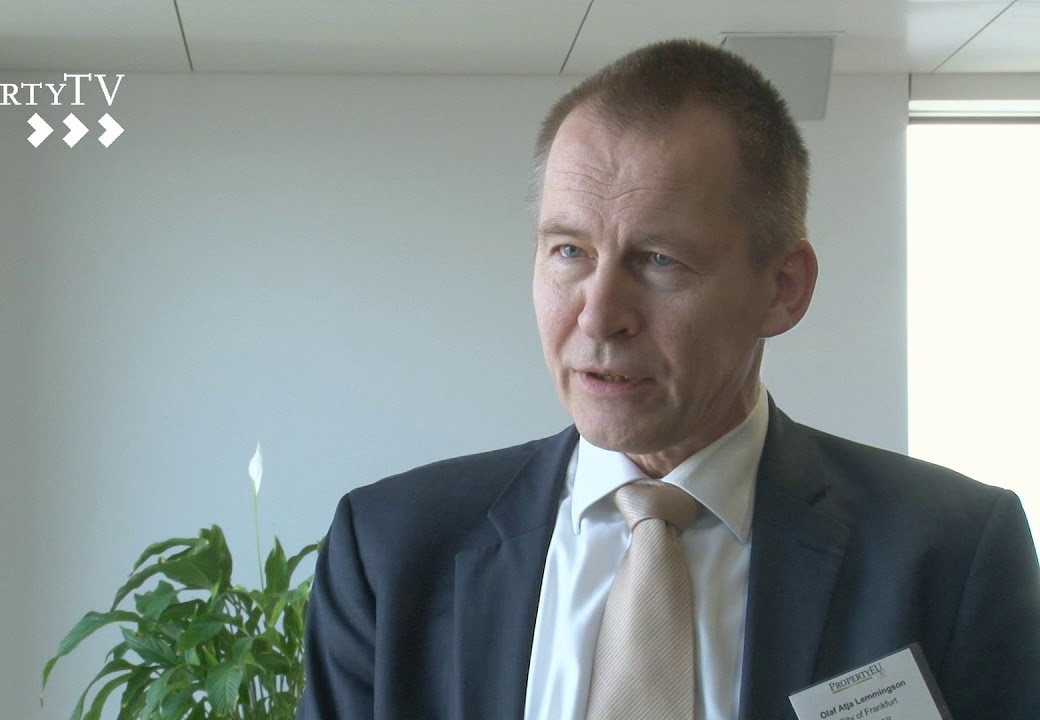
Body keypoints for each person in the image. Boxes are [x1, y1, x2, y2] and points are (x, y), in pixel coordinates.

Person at [295, 38, 1040, 720]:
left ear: (782, 289)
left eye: (659, 260)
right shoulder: (392, 551)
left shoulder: (949, 554)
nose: (599, 315)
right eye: (569, 251)